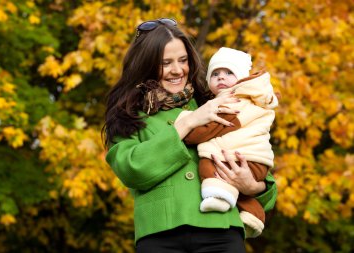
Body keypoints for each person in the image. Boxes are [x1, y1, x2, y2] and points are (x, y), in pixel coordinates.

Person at [103, 18, 277, 253]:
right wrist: (188, 123)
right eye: (166, 63)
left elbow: (257, 154)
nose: (177, 70)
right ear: (146, 65)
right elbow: (132, 169)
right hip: (159, 235)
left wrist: (252, 185)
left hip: (222, 231)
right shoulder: (128, 115)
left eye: (183, 60)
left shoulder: (215, 101)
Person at [176, 47, 278, 238]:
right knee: (219, 169)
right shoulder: (239, 101)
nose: (221, 77)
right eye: (215, 74)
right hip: (253, 160)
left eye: (229, 72)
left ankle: (219, 198)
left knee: (207, 166)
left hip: (247, 159)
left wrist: (187, 127)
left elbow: (212, 128)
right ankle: (253, 212)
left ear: (240, 78)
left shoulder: (236, 102)